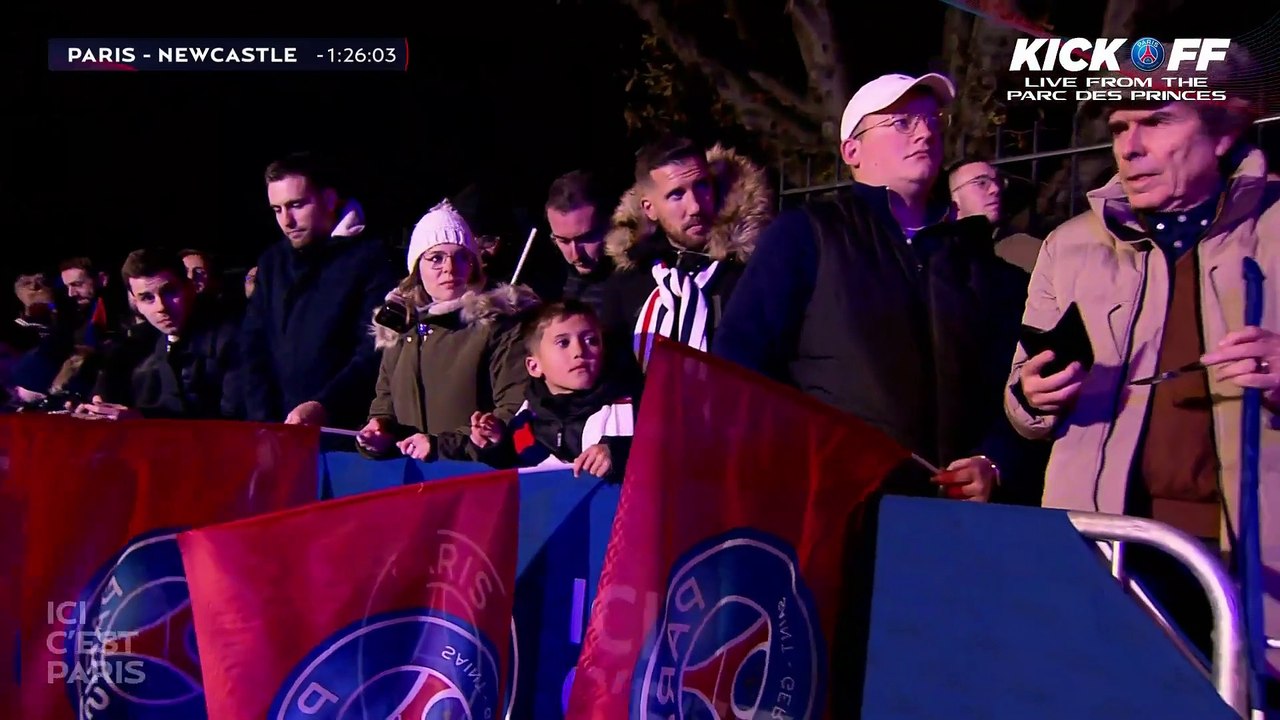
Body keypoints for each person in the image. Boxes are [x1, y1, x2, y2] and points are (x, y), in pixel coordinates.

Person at [1006, 50, 1280, 680]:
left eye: (1155, 121)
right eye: (1119, 128)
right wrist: (1033, 396)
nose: (1128, 147)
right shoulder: (1069, 246)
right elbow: (1020, 405)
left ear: (1224, 131)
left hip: (1251, 564)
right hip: (1106, 553)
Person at [713, 72, 1031, 501]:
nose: (925, 132)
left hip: (957, 519)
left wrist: (995, 461)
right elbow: (740, 367)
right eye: (901, 122)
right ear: (852, 150)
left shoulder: (974, 257)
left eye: (932, 119)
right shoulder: (808, 234)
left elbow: (1014, 382)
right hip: (837, 507)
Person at [355, 200, 537, 461]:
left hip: (470, 483)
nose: (450, 269)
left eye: (462, 257)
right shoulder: (401, 326)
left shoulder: (497, 325)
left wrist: (445, 446)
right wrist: (379, 430)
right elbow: (385, 400)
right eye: (436, 258)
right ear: (418, 266)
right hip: (411, 483)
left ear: (474, 264)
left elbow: (514, 408)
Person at [241, 151, 400, 428]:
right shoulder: (272, 262)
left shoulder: (371, 258)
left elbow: (375, 348)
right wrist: (263, 421)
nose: (286, 221)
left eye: (296, 205)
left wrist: (325, 405)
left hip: (346, 429)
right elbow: (253, 346)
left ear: (328, 199)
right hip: (279, 430)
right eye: (277, 209)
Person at [599, 135, 773, 378]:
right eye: (676, 195)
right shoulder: (628, 281)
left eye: (702, 186)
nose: (695, 207)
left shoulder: (754, 269)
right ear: (650, 208)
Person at [445, 300, 635, 481]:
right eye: (563, 343)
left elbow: (659, 451)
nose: (579, 351)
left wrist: (618, 453)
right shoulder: (525, 420)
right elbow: (515, 472)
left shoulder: (628, 406)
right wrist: (495, 444)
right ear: (534, 366)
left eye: (591, 340)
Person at [73, 248, 240, 420]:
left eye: (170, 292)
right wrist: (116, 411)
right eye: (147, 298)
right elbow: (175, 409)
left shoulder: (231, 337)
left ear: (189, 287)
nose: (161, 307)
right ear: (134, 302)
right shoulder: (162, 340)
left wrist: (143, 421)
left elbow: (233, 421)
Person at [947, 158, 1042, 274]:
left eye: (999, 182)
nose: (996, 189)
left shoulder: (1025, 249)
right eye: (981, 183)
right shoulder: (932, 253)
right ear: (952, 197)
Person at [544, 170, 616, 315]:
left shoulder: (638, 279)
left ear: (611, 225)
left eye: (586, 239)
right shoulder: (547, 282)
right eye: (563, 241)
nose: (576, 255)